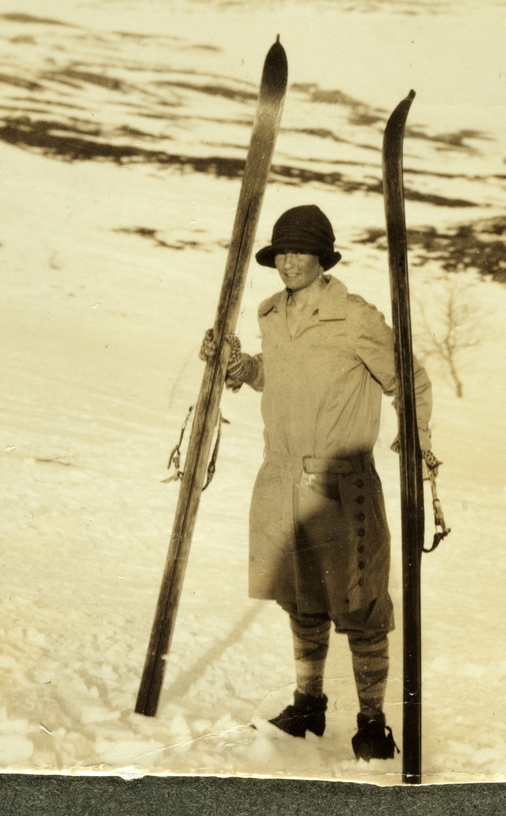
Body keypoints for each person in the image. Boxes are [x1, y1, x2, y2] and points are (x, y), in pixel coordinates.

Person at [202, 204, 436, 761]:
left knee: (359, 604)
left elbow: (410, 379)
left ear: (323, 257)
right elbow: (274, 376)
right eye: (281, 252)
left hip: (340, 483)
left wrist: (416, 435)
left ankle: (372, 723)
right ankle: (308, 703)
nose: (288, 262)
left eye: (300, 251)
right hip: (280, 475)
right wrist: (240, 367)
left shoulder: (355, 318)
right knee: (300, 597)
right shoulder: (271, 316)